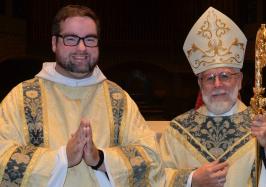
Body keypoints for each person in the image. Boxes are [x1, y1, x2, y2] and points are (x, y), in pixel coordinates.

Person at [0, 5, 164, 186]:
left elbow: (151, 157)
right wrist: (62, 158)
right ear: (54, 43)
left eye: (90, 39)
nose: (82, 47)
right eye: (71, 39)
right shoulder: (22, 98)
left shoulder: (118, 100)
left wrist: (101, 159)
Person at [159, 7, 266, 187]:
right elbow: (155, 176)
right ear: (200, 85)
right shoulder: (177, 132)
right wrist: (191, 180)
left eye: (225, 76)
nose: (217, 84)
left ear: (240, 81)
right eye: (210, 78)